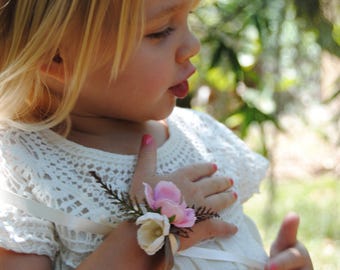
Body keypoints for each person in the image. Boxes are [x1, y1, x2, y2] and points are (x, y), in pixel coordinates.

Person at [0, 0, 313, 269]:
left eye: (187, 18)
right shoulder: (22, 169)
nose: (193, 45)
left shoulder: (203, 138)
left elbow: (232, 248)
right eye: (160, 31)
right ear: (55, 57)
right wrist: (141, 239)